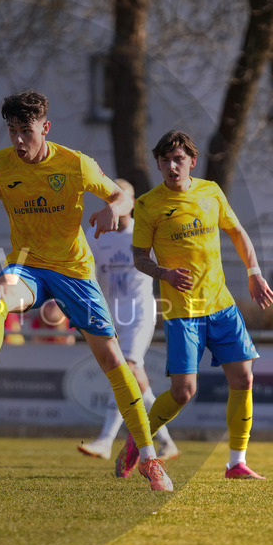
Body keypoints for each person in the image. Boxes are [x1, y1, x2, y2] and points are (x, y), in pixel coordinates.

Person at [0, 90, 173, 491]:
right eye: (11, 131)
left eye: (25, 131)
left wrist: (112, 210)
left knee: (115, 363)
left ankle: (151, 460)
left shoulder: (75, 163)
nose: (17, 140)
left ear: (45, 128)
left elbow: (120, 195)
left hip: (74, 272)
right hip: (27, 263)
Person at [131, 130, 273, 480]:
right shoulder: (148, 204)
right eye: (164, 160)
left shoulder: (210, 191)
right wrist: (164, 272)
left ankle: (236, 463)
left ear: (191, 161)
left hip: (222, 306)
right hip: (183, 313)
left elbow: (238, 232)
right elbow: (138, 257)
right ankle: (139, 442)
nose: (171, 166)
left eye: (178, 159)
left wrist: (254, 272)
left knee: (243, 378)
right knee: (183, 392)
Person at [78, 179, 180, 469]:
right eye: (111, 197)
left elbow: (166, 268)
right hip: (110, 315)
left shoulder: (144, 233)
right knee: (135, 378)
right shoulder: (96, 234)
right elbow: (85, 273)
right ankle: (167, 441)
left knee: (127, 369)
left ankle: (105, 440)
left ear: (133, 203)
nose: (117, 203)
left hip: (139, 314)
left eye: (124, 197)